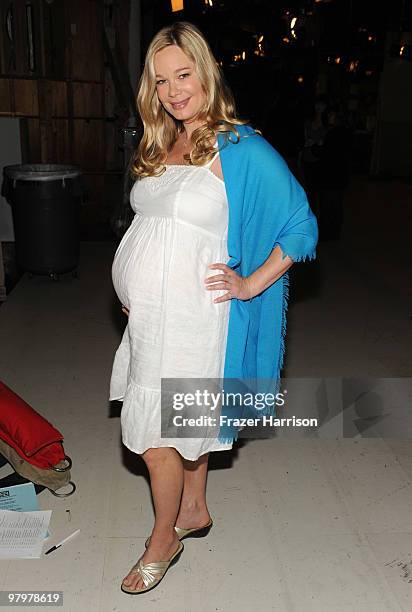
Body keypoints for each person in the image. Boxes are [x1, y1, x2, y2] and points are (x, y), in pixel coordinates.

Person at [109, 21, 318, 595]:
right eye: (161, 80)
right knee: (186, 423)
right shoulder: (159, 143)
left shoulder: (240, 146)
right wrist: (138, 285)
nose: (175, 90)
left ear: (206, 72)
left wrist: (251, 285)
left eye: (184, 74)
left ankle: (162, 539)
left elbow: (301, 224)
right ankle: (194, 508)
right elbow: (156, 226)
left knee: (158, 437)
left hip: (198, 319)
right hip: (153, 315)